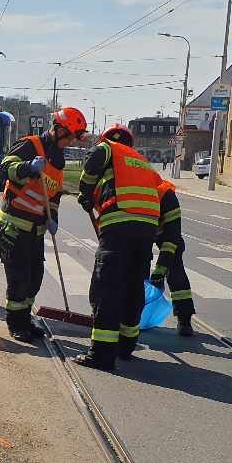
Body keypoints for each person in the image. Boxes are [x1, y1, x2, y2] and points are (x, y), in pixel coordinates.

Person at [0, 107, 88, 343]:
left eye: (72, 139)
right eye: (68, 136)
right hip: (14, 225)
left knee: (35, 278)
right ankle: (15, 324)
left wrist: (52, 218)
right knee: (18, 280)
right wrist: (27, 168)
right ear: (58, 129)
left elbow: (54, 196)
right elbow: (5, 167)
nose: (69, 142)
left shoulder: (59, 158)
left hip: (36, 229)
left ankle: (25, 320)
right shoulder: (31, 144)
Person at [76, 124, 162, 371]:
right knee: (134, 286)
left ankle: (101, 354)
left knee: (108, 286)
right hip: (147, 226)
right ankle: (126, 346)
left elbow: (91, 165)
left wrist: (85, 191)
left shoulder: (108, 148)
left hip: (119, 221)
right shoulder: (141, 161)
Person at [151, 179, 195, 337]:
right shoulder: (126, 191)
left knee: (175, 267)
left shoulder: (166, 196)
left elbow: (172, 239)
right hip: (140, 229)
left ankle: (184, 318)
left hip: (163, 231)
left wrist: (160, 269)